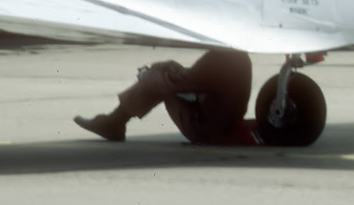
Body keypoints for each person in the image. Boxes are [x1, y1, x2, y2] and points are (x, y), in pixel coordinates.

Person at [74, 50, 257, 145]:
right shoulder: (238, 57)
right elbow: (195, 79)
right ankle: (114, 121)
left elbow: (175, 84)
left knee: (161, 78)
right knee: (167, 69)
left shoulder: (221, 57)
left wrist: (147, 76)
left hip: (205, 129)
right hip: (220, 120)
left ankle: (114, 122)